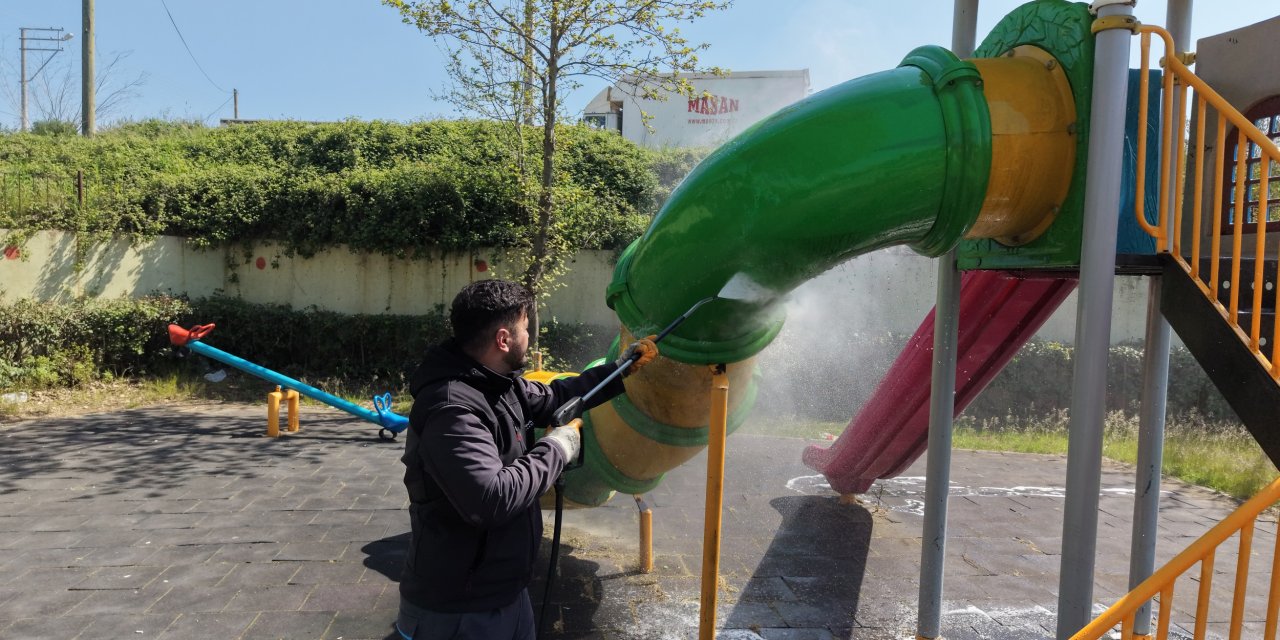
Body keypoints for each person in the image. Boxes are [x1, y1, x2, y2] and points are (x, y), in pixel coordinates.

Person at [396, 279, 657, 640]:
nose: (529, 337)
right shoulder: (451, 407)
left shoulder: (500, 382)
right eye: (524, 329)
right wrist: (558, 448)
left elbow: (557, 396)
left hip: (506, 590)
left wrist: (620, 369)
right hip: (459, 609)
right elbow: (491, 498)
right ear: (504, 339)